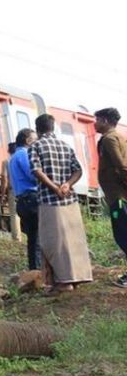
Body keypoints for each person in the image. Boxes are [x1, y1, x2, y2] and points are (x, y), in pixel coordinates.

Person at [30, 113, 93, 292]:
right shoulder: (65, 146)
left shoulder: (36, 146)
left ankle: (62, 282)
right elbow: (78, 170)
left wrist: (55, 187)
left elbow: (36, 170)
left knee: (52, 241)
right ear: (53, 127)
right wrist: (67, 184)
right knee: (73, 240)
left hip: (50, 200)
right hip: (69, 199)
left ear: (38, 129)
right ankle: (78, 277)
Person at [95, 107, 127, 287]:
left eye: (97, 119)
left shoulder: (109, 139)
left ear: (106, 121)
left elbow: (121, 166)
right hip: (116, 196)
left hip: (119, 197)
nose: (95, 123)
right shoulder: (116, 137)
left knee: (122, 233)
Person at [9, 129, 40, 270]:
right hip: (31, 198)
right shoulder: (24, 154)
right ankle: (39, 270)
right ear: (28, 140)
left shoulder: (14, 156)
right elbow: (33, 175)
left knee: (32, 238)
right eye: (35, 139)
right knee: (39, 236)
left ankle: (34, 269)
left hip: (22, 200)